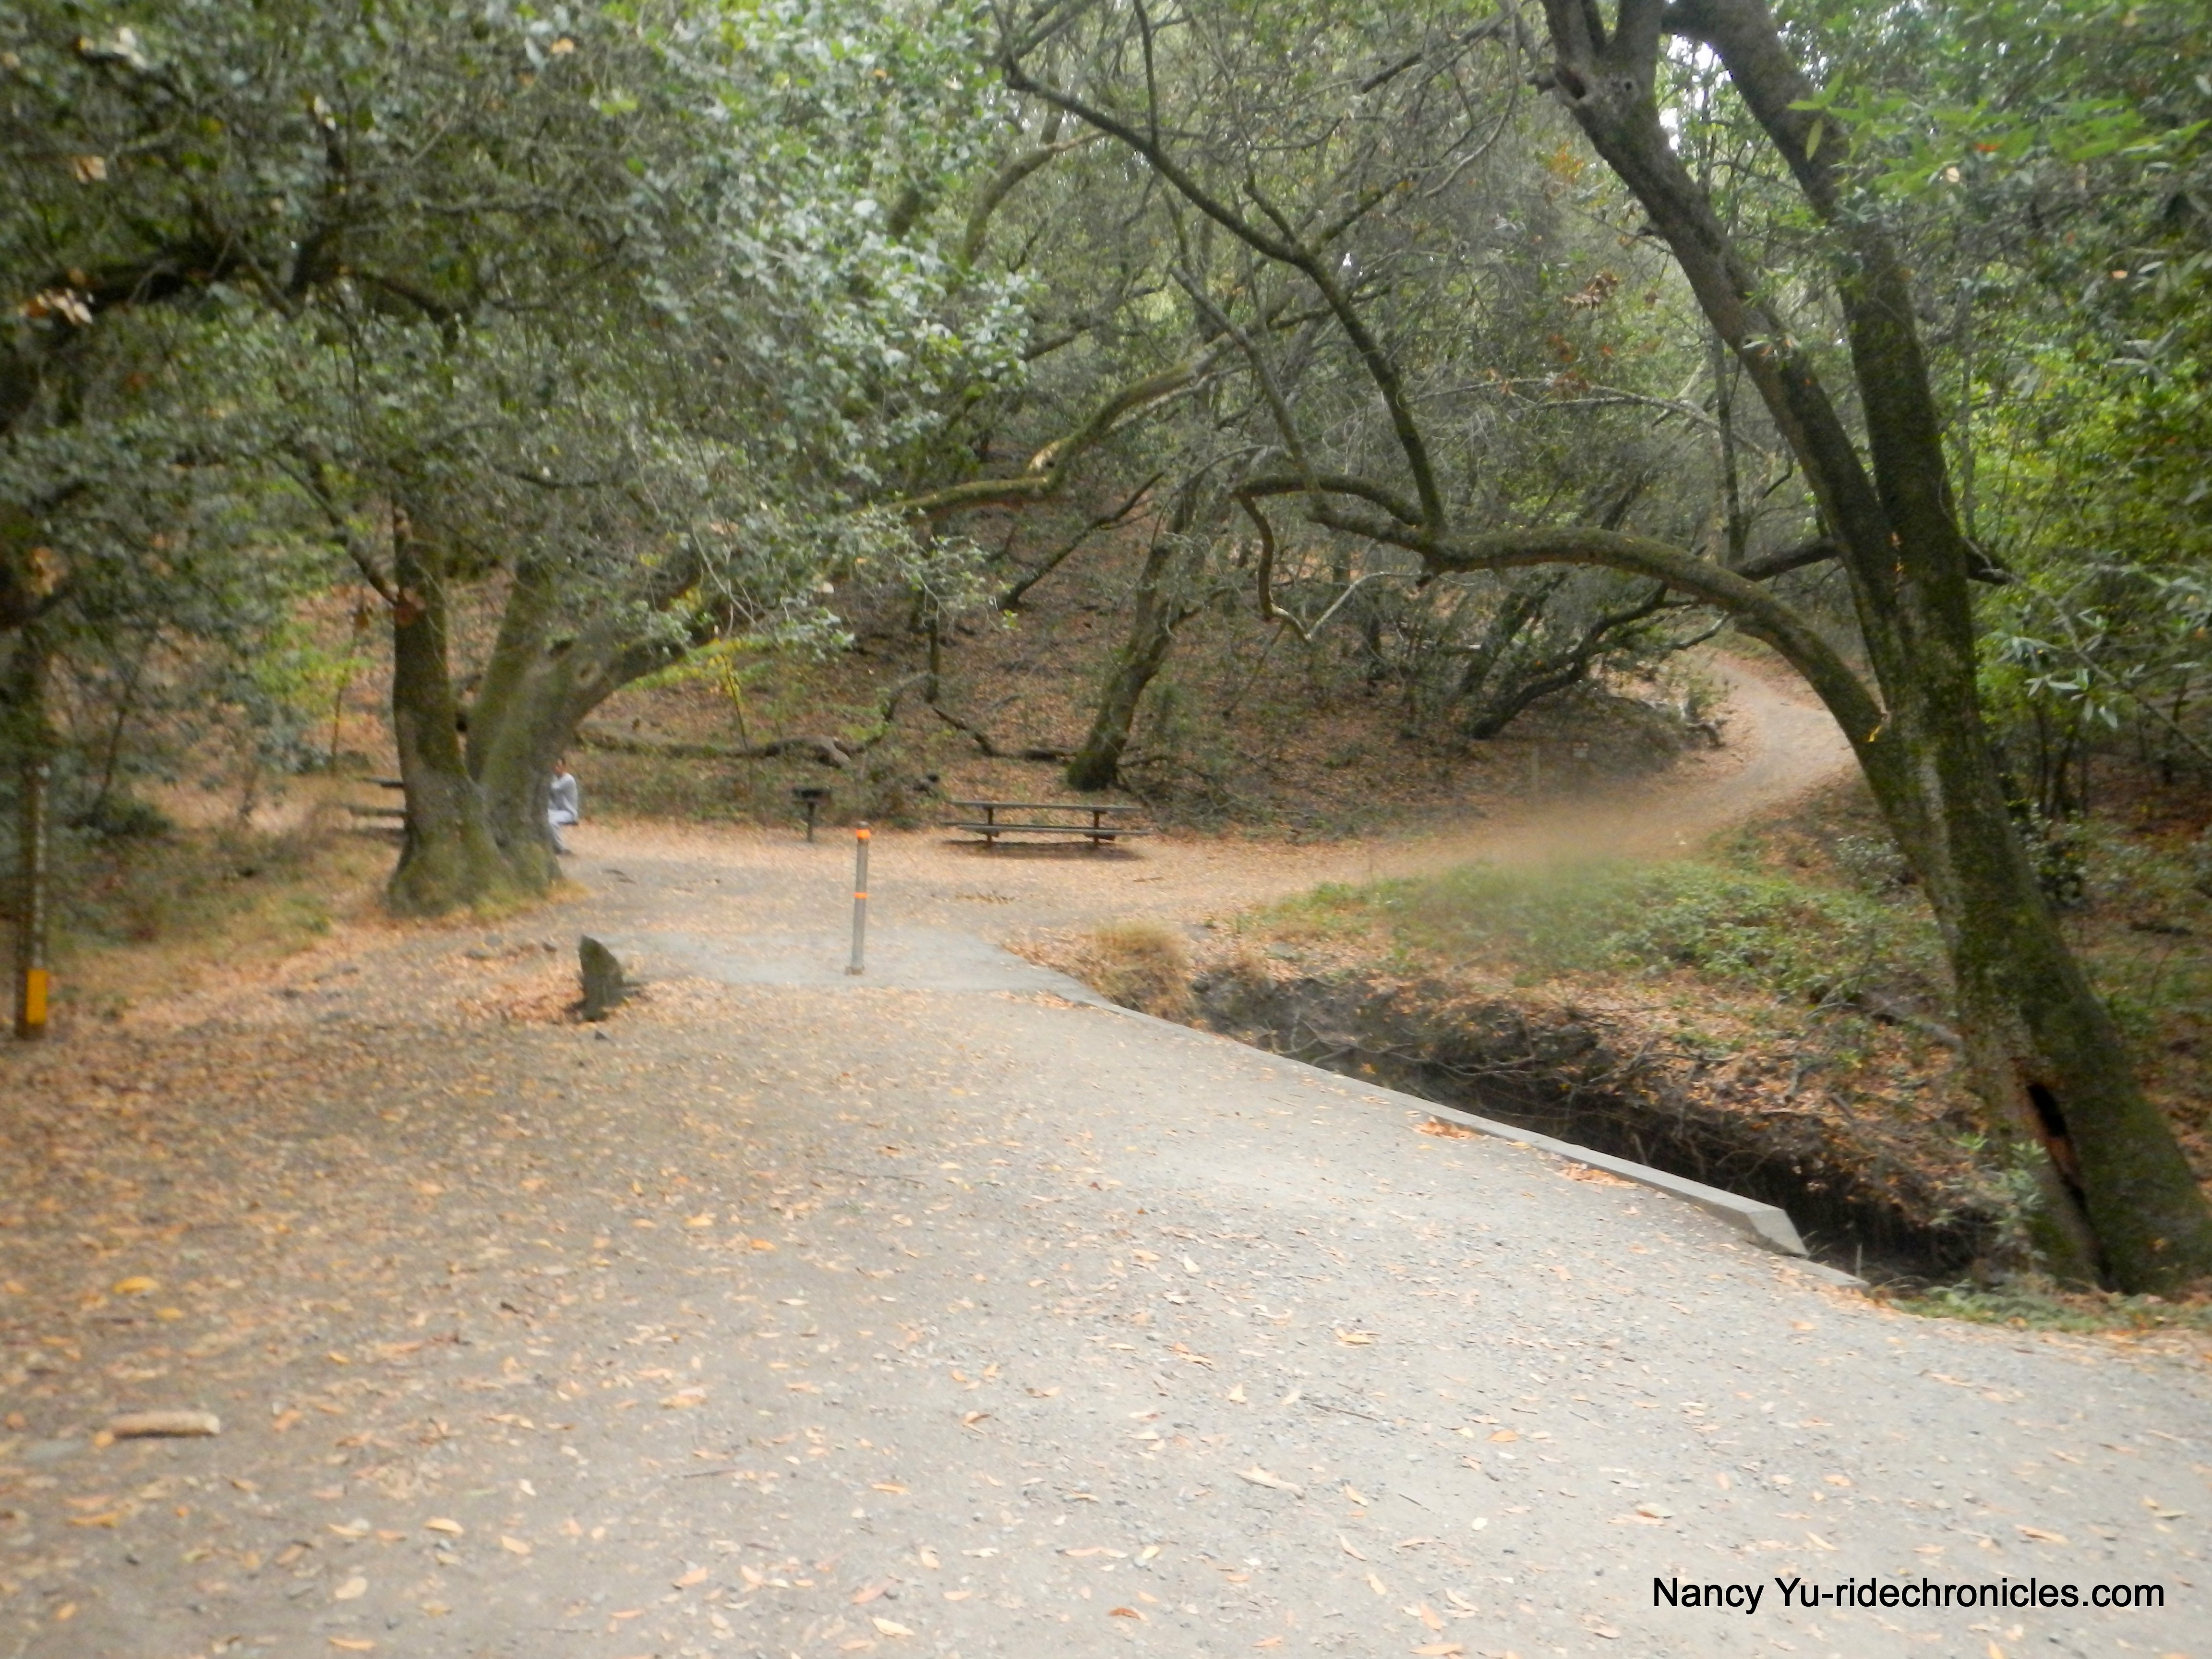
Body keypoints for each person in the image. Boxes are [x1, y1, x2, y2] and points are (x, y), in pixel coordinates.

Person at [548, 760, 580, 854]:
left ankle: (560, 849)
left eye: (559, 766)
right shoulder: (553, 778)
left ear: (564, 767)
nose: (556, 768)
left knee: (552, 822)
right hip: (554, 811)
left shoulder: (568, 780)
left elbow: (551, 788)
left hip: (568, 812)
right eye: (554, 766)